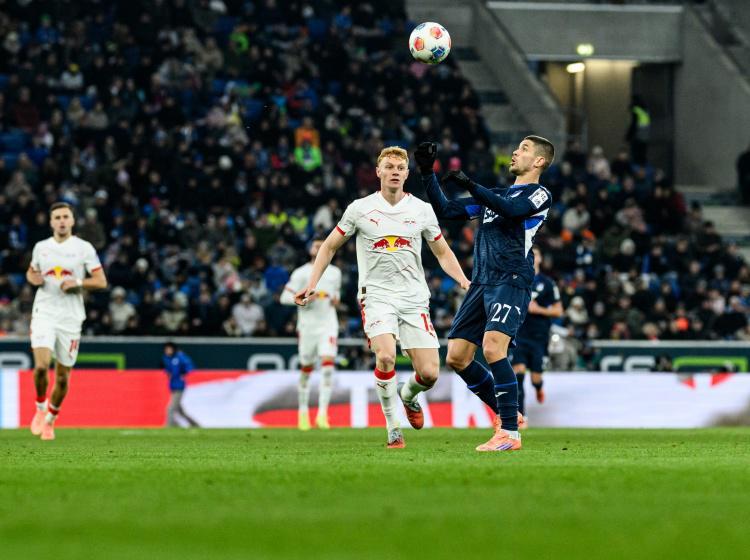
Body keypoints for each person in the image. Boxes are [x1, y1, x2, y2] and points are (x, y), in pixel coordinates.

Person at [295, 146, 471, 448]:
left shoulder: (422, 210)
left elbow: (442, 253)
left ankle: (407, 394)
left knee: (429, 373)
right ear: (378, 171)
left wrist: (464, 280)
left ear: (407, 173)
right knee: (386, 355)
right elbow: (329, 246)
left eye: (400, 168)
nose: (394, 172)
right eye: (389, 167)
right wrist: (313, 283)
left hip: (414, 297)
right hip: (376, 296)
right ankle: (393, 428)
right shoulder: (360, 209)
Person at [418, 135, 554, 452]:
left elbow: (512, 210)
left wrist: (470, 184)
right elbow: (447, 209)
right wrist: (427, 173)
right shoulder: (496, 195)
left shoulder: (539, 194)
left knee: (493, 348)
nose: (515, 152)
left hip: (511, 278)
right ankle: (510, 414)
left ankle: (509, 433)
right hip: (481, 282)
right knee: (457, 357)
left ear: (539, 161)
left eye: (523, 149)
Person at [27, 202, 108, 440]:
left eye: (65, 217)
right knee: (41, 367)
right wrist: (33, 278)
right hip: (44, 311)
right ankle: (40, 408)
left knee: (62, 377)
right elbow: (31, 272)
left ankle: (51, 420)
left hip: (71, 317)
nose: (61, 221)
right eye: (57, 217)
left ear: (72, 221)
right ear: (51, 222)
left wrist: (78, 283)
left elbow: (101, 281)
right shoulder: (41, 247)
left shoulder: (83, 248)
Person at [280, 237, 342, 431]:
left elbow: (336, 294)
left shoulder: (335, 272)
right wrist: (304, 299)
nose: (319, 248)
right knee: (306, 368)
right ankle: (303, 413)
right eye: (316, 245)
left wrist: (336, 300)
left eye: (322, 245)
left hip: (328, 324)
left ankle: (322, 415)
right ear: (310, 249)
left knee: (328, 367)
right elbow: (284, 297)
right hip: (307, 327)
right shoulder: (301, 273)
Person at [511, 246, 563, 421]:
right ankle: (521, 417)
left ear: (540, 259)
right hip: (519, 335)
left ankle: (539, 387)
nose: (533, 257)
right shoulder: (517, 280)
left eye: (536, 254)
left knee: (535, 379)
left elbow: (558, 311)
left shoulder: (548, 283)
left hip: (539, 338)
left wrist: (539, 309)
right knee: (518, 375)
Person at [162, 342, 199, 427]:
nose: (167, 351)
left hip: (179, 386)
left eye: (169, 349)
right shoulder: (167, 358)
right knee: (180, 411)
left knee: (170, 408)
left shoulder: (180, 357)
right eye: (166, 349)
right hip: (172, 386)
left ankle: (169, 426)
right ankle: (195, 425)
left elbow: (189, 366)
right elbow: (168, 370)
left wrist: (183, 372)